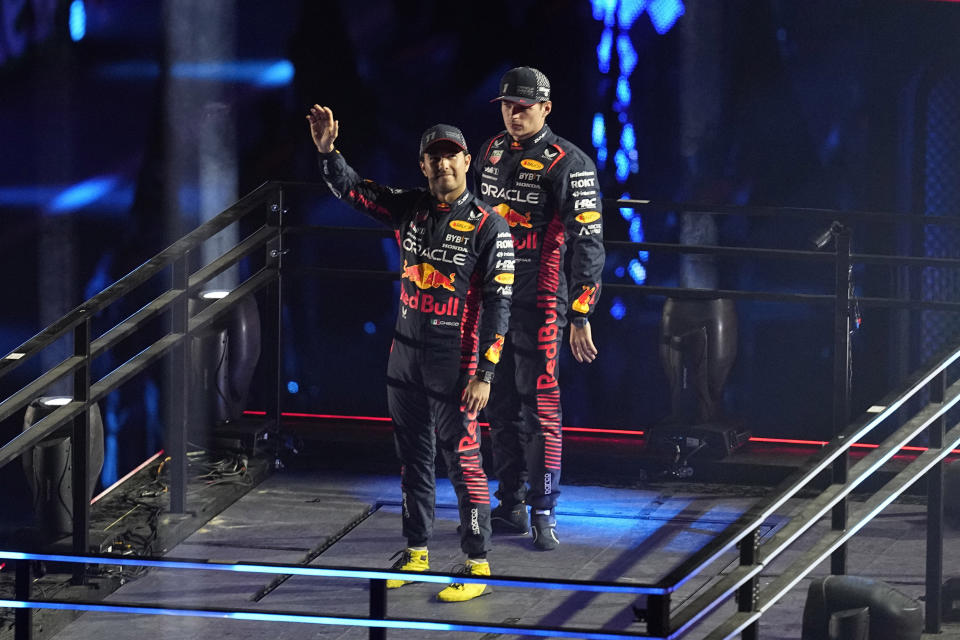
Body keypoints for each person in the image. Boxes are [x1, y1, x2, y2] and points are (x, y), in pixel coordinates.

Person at [307, 105, 514, 601]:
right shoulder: (410, 207)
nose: (443, 166)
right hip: (404, 355)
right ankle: (417, 550)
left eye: (452, 157)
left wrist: (485, 372)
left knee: (463, 459)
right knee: (412, 458)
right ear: (422, 165)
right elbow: (354, 191)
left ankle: (477, 562)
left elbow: (500, 306)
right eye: (434, 159)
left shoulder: (490, 227)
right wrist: (327, 152)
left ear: (468, 162)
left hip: (455, 360)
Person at [474, 67, 604, 551]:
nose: (514, 114)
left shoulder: (570, 163)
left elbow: (589, 241)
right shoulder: (488, 151)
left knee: (540, 409)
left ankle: (544, 510)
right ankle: (508, 503)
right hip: (492, 302)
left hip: (542, 304)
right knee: (499, 405)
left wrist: (581, 312)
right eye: (507, 105)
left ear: (546, 108)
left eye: (524, 106)